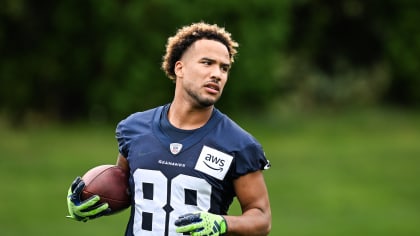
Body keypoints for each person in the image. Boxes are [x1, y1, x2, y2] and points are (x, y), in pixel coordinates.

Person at [67, 22, 271, 236]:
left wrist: (222, 223)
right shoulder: (135, 129)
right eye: (207, 63)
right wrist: (86, 199)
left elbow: (261, 218)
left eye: (224, 68)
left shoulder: (238, 144)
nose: (217, 74)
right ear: (179, 68)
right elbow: (124, 189)